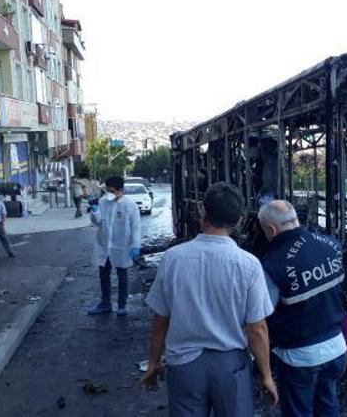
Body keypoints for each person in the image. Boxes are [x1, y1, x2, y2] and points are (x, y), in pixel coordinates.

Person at [140, 183, 278, 416]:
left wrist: (153, 362)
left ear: (203, 212)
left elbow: (160, 319)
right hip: (231, 367)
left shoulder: (173, 258)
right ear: (240, 220)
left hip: (184, 366)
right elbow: (257, 328)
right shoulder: (248, 264)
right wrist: (266, 375)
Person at [258, 200, 347, 417]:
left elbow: (262, 314)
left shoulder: (273, 265)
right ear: (295, 219)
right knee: (328, 406)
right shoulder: (330, 244)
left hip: (300, 356)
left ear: (271, 229)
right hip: (337, 347)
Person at [88, 176, 141, 316]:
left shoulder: (130, 206)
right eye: (107, 190)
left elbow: (136, 228)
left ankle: (122, 305)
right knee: (104, 275)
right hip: (104, 246)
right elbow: (97, 222)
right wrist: (94, 211)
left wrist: (136, 245)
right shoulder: (103, 202)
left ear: (120, 190)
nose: (108, 194)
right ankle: (105, 304)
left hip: (122, 246)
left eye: (111, 191)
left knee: (122, 275)